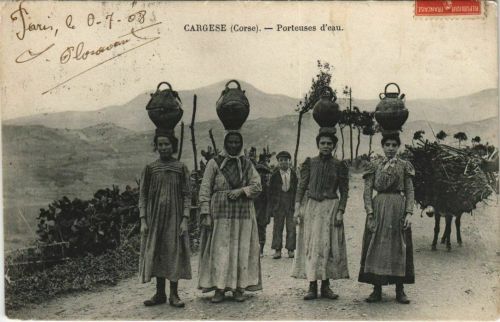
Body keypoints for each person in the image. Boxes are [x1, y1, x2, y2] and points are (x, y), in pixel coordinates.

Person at [198, 131, 263, 303]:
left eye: (237, 142)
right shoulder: (214, 163)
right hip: (220, 213)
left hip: (242, 214)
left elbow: (257, 186)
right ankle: (219, 288)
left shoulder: (246, 163)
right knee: (220, 249)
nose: (233, 145)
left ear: (241, 144)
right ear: (225, 144)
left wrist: (241, 191)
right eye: (230, 142)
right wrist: (205, 213)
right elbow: (205, 188)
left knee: (240, 249)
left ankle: (238, 288)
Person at [358, 132, 415, 304]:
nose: (390, 148)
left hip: (398, 206)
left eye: (394, 145)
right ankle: (377, 289)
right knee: (377, 245)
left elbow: (410, 190)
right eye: (387, 145)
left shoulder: (404, 165)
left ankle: (400, 289)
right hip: (379, 206)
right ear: (382, 146)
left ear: (398, 147)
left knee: (399, 245)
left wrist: (409, 212)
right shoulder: (374, 165)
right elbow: (367, 191)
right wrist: (369, 212)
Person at [293, 129, 350, 300]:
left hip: (330, 208)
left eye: (329, 143)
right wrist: (297, 209)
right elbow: (301, 187)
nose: (326, 146)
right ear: (318, 144)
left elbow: (344, 191)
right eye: (323, 143)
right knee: (312, 246)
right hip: (312, 208)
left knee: (328, 246)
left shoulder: (339, 165)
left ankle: (326, 286)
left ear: (333, 146)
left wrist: (341, 211)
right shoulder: (310, 163)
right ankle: (312, 286)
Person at [139, 130, 192, 308]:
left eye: (167, 144)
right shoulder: (150, 168)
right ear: (156, 146)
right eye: (160, 144)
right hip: (154, 218)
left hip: (174, 217)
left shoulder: (181, 168)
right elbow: (143, 196)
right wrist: (143, 220)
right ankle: (160, 293)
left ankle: (174, 295)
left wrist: (184, 219)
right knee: (158, 252)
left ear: (173, 146)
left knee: (173, 251)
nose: (163, 147)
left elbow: (187, 196)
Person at [268, 151, 298, 259]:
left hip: (290, 205)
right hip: (278, 206)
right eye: (281, 160)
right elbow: (270, 192)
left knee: (291, 227)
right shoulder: (274, 175)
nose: (283, 163)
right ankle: (277, 250)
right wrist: (272, 207)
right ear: (278, 162)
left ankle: (291, 249)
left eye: (286, 160)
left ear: (290, 161)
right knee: (277, 227)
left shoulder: (294, 174)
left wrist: (297, 205)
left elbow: (297, 190)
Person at [254, 162, 272, 257]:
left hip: (262, 213)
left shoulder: (267, 188)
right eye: (258, 173)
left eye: (263, 173)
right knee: (252, 231)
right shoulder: (252, 186)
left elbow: (269, 202)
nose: (261, 175)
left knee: (262, 231)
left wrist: (267, 215)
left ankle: (261, 250)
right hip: (252, 212)